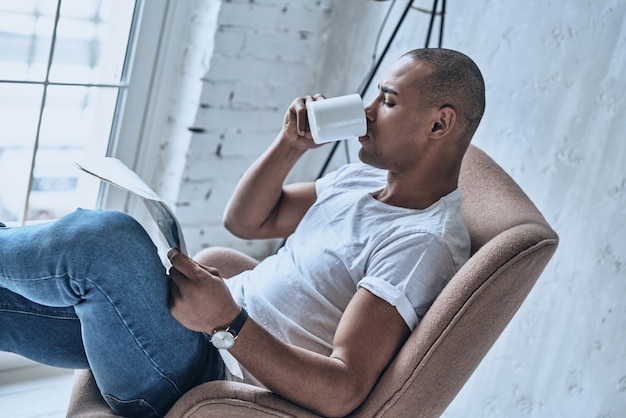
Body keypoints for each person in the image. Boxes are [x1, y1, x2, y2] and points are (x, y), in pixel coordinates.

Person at [0, 48, 485, 418]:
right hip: (199, 333)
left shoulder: (421, 244)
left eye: (390, 101)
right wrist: (290, 144)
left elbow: (343, 389)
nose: (368, 108)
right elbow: (249, 222)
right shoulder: (363, 180)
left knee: (109, 241)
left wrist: (226, 322)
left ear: (440, 124)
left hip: (213, 377)